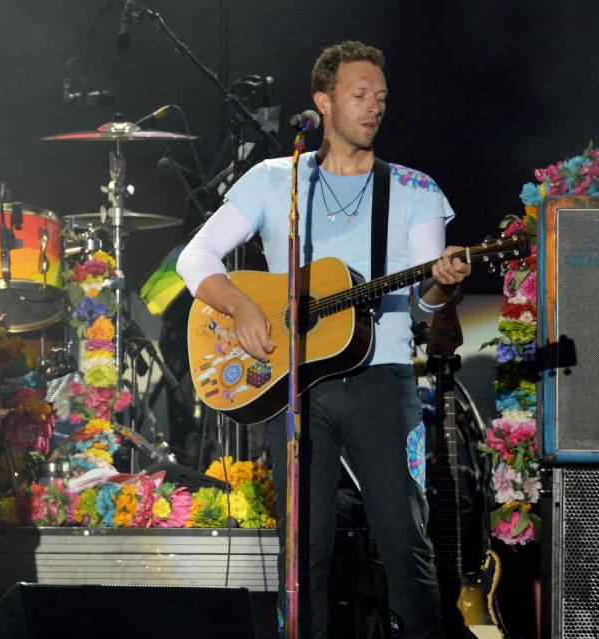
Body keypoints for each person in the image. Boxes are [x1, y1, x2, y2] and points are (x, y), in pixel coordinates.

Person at [176, 41, 471, 638]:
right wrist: (238, 306)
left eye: (381, 98)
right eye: (359, 95)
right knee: (301, 556)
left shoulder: (414, 189)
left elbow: (424, 300)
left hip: (382, 381)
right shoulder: (272, 180)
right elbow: (194, 257)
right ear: (323, 103)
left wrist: (444, 286)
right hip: (295, 388)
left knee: (403, 544)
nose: (374, 108)